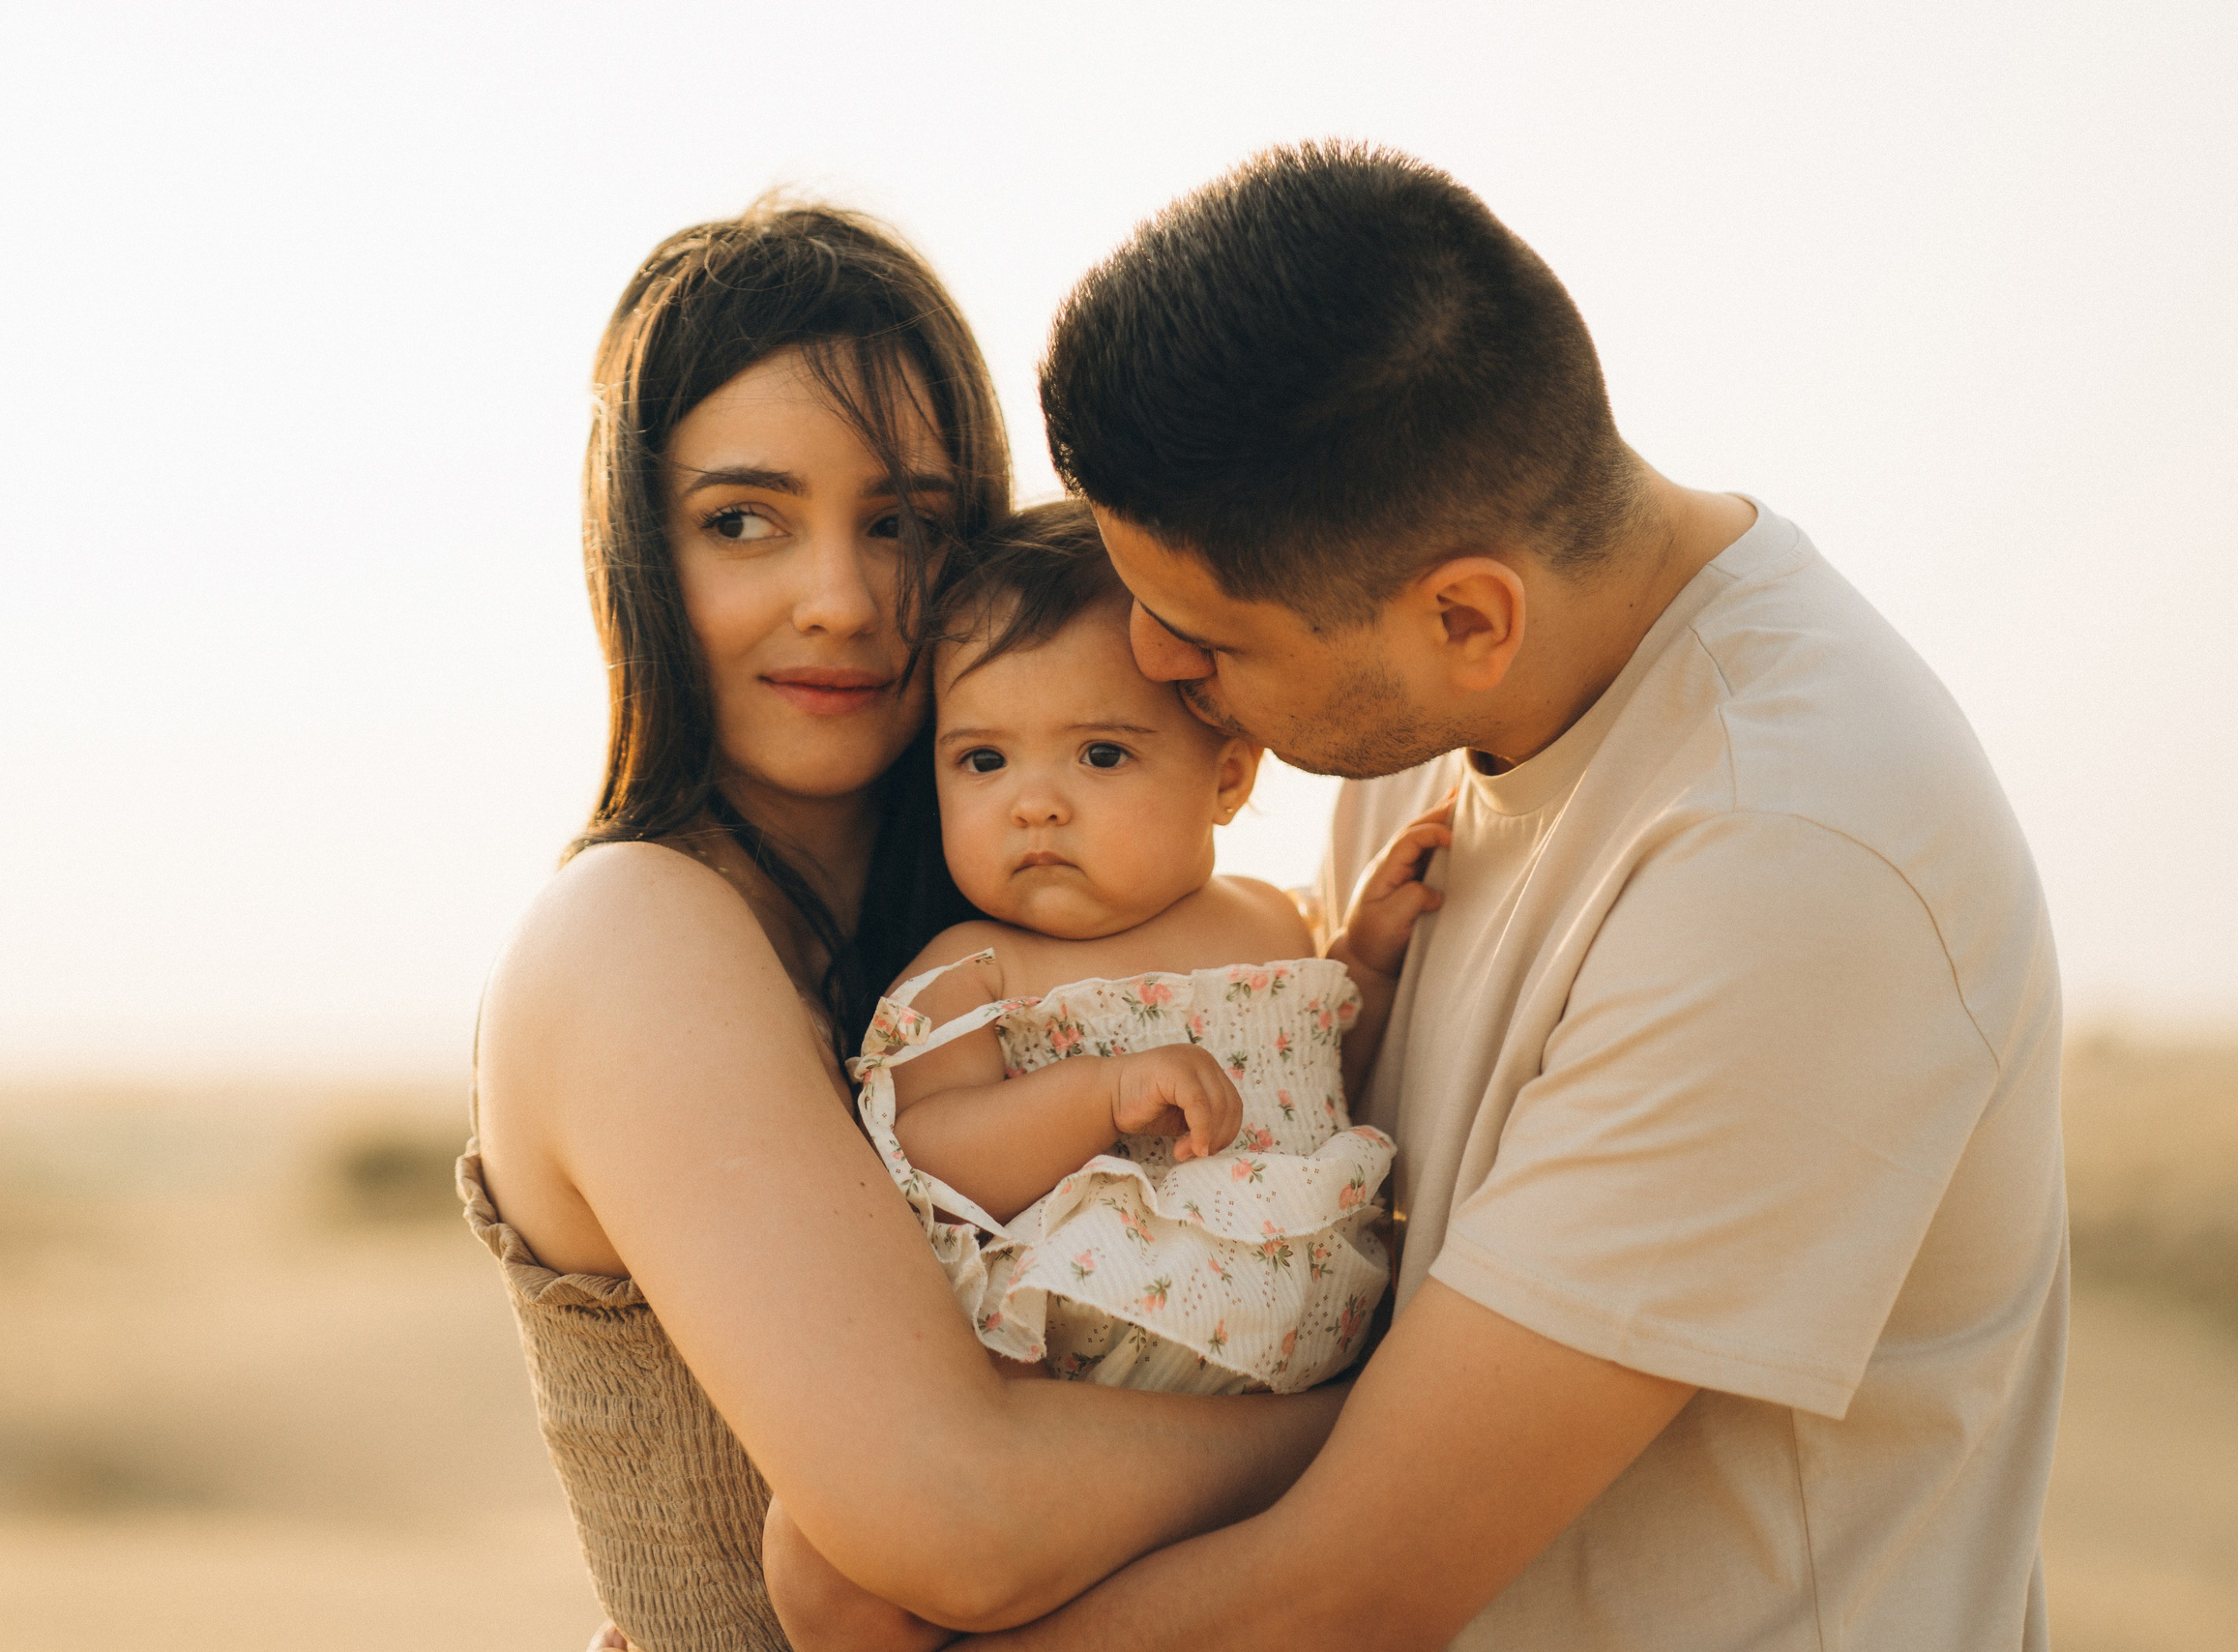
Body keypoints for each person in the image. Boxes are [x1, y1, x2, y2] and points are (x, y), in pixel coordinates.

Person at [960, 142, 2068, 1649]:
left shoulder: (1794, 856)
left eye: (1202, 632)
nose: (1151, 664)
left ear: (1468, 616)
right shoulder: (1414, 722)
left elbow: (1346, 1591)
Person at [462, 203, 1349, 1652]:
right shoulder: (632, 933)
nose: (842, 600)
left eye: (906, 525)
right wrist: (1390, 1420)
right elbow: (960, 1521)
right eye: (743, 521)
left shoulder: (1016, 924)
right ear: (638, 554)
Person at [763, 501, 1424, 1650]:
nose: (1034, 800)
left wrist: (1362, 957)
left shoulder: (1269, 921)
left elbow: (1321, 1094)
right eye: (982, 758)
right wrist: (1098, 1095)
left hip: (1287, 1362)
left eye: (1101, 752)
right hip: (1074, 1389)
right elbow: (932, 1148)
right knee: (824, 1562)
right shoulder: (974, 970)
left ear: (1226, 777)